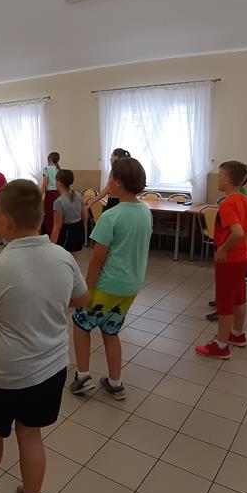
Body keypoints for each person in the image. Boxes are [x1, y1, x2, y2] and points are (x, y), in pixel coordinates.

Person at [0, 179, 89, 493]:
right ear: (41, 217)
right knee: (31, 436)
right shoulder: (62, 258)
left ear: (4, 222)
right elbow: (81, 298)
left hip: (6, 375)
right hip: (51, 369)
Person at [70, 158, 152, 398]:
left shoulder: (111, 216)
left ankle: (83, 376)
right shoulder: (145, 213)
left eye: (110, 177)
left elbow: (97, 259)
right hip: (130, 286)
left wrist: (86, 290)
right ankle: (115, 382)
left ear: (117, 183)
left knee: (81, 324)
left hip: (107, 285)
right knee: (110, 330)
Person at [195, 161, 247, 359]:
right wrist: (245, 241)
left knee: (224, 301)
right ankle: (237, 334)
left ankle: (221, 345)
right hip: (243, 256)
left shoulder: (228, 204)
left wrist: (224, 248)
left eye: (220, 175)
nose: (217, 178)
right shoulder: (243, 199)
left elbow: (237, 232)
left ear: (228, 180)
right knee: (239, 296)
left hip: (230, 259)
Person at [50, 169, 85, 257]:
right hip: (78, 228)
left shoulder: (58, 202)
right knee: (73, 256)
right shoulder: (78, 195)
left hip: (67, 233)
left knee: (64, 257)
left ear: (59, 183)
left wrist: (51, 245)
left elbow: (57, 227)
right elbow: (85, 215)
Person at [41, 152, 60, 236]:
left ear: (49, 159)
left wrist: (39, 196)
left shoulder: (46, 169)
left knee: (49, 217)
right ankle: (57, 236)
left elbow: (44, 184)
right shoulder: (58, 169)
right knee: (57, 216)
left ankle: (50, 237)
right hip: (58, 193)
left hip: (50, 195)